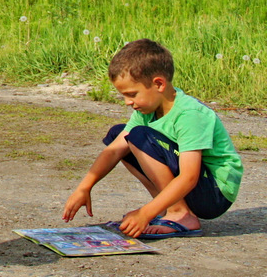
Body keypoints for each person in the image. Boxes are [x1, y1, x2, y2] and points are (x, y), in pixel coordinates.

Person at [63, 38, 243, 239]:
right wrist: (84, 187)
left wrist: (144, 213)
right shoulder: (147, 111)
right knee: (119, 134)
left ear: (158, 84)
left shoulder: (190, 114)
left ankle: (180, 214)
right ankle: (166, 209)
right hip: (194, 187)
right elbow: (114, 150)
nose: (127, 102)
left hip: (214, 192)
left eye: (132, 94)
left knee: (139, 136)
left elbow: (190, 176)